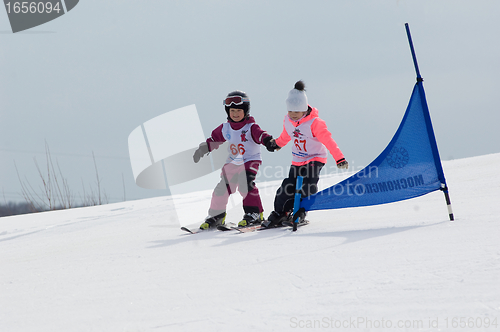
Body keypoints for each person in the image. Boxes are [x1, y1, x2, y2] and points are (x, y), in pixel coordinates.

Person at [262, 80, 348, 228]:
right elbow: (286, 136)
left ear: (304, 109)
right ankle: (281, 212)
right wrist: (276, 144)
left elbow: (329, 141)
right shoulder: (288, 120)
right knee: (287, 185)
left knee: (307, 185)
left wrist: (339, 158)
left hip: (315, 158)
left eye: (296, 112)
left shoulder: (315, 123)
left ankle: (301, 211)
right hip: (297, 160)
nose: (293, 115)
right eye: (290, 111)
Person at [193, 90, 276, 230]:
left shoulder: (251, 127)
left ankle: (254, 213)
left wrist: (269, 141)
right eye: (232, 111)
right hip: (232, 162)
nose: (235, 114)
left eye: (238, 110)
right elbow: (214, 140)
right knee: (222, 189)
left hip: (250, 160)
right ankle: (217, 216)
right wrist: (203, 149)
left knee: (245, 184)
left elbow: (261, 135)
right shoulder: (226, 128)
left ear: (245, 111)